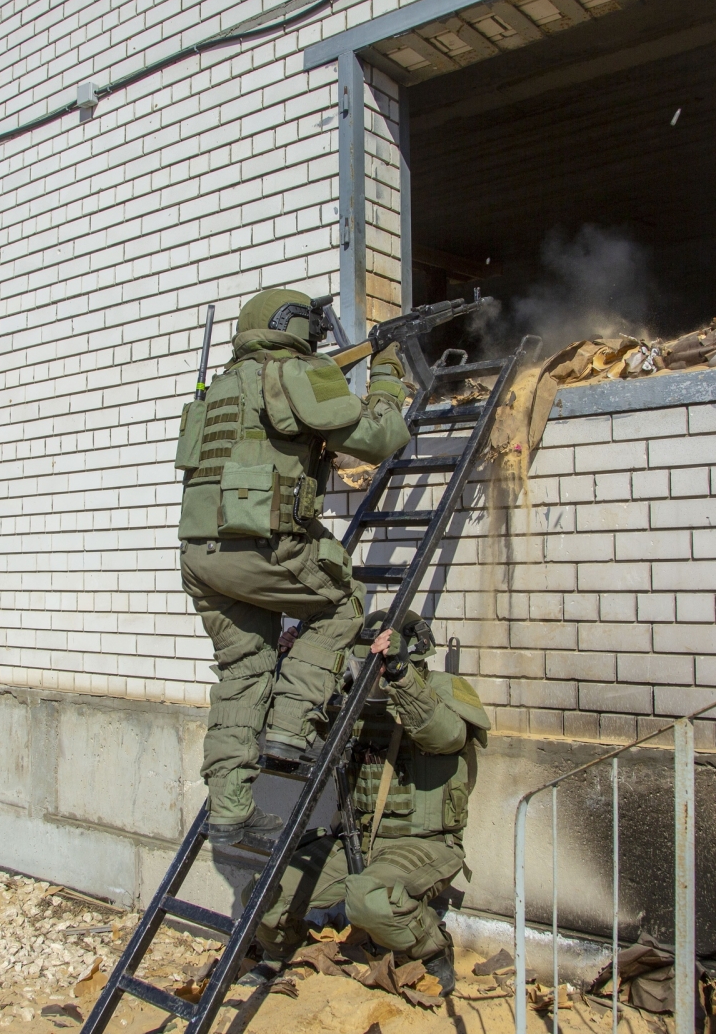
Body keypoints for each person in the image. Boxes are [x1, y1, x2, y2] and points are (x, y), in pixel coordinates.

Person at [175, 288, 410, 848]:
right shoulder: (291, 371)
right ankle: (287, 730)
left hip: (201, 559)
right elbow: (379, 438)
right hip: (263, 550)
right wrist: (387, 371)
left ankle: (231, 807)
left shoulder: (221, 386)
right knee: (342, 602)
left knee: (243, 668)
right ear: (292, 326)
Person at [249, 610, 491, 995]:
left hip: (423, 843)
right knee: (266, 891)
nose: (371, 669)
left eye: (379, 660)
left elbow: (445, 737)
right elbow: (296, 731)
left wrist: (400, 675)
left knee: (368, 899)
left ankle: (433, 950)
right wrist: (292, 667)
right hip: (356, 842)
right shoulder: (352, 698)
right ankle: (277, 954)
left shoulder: (442, 688)